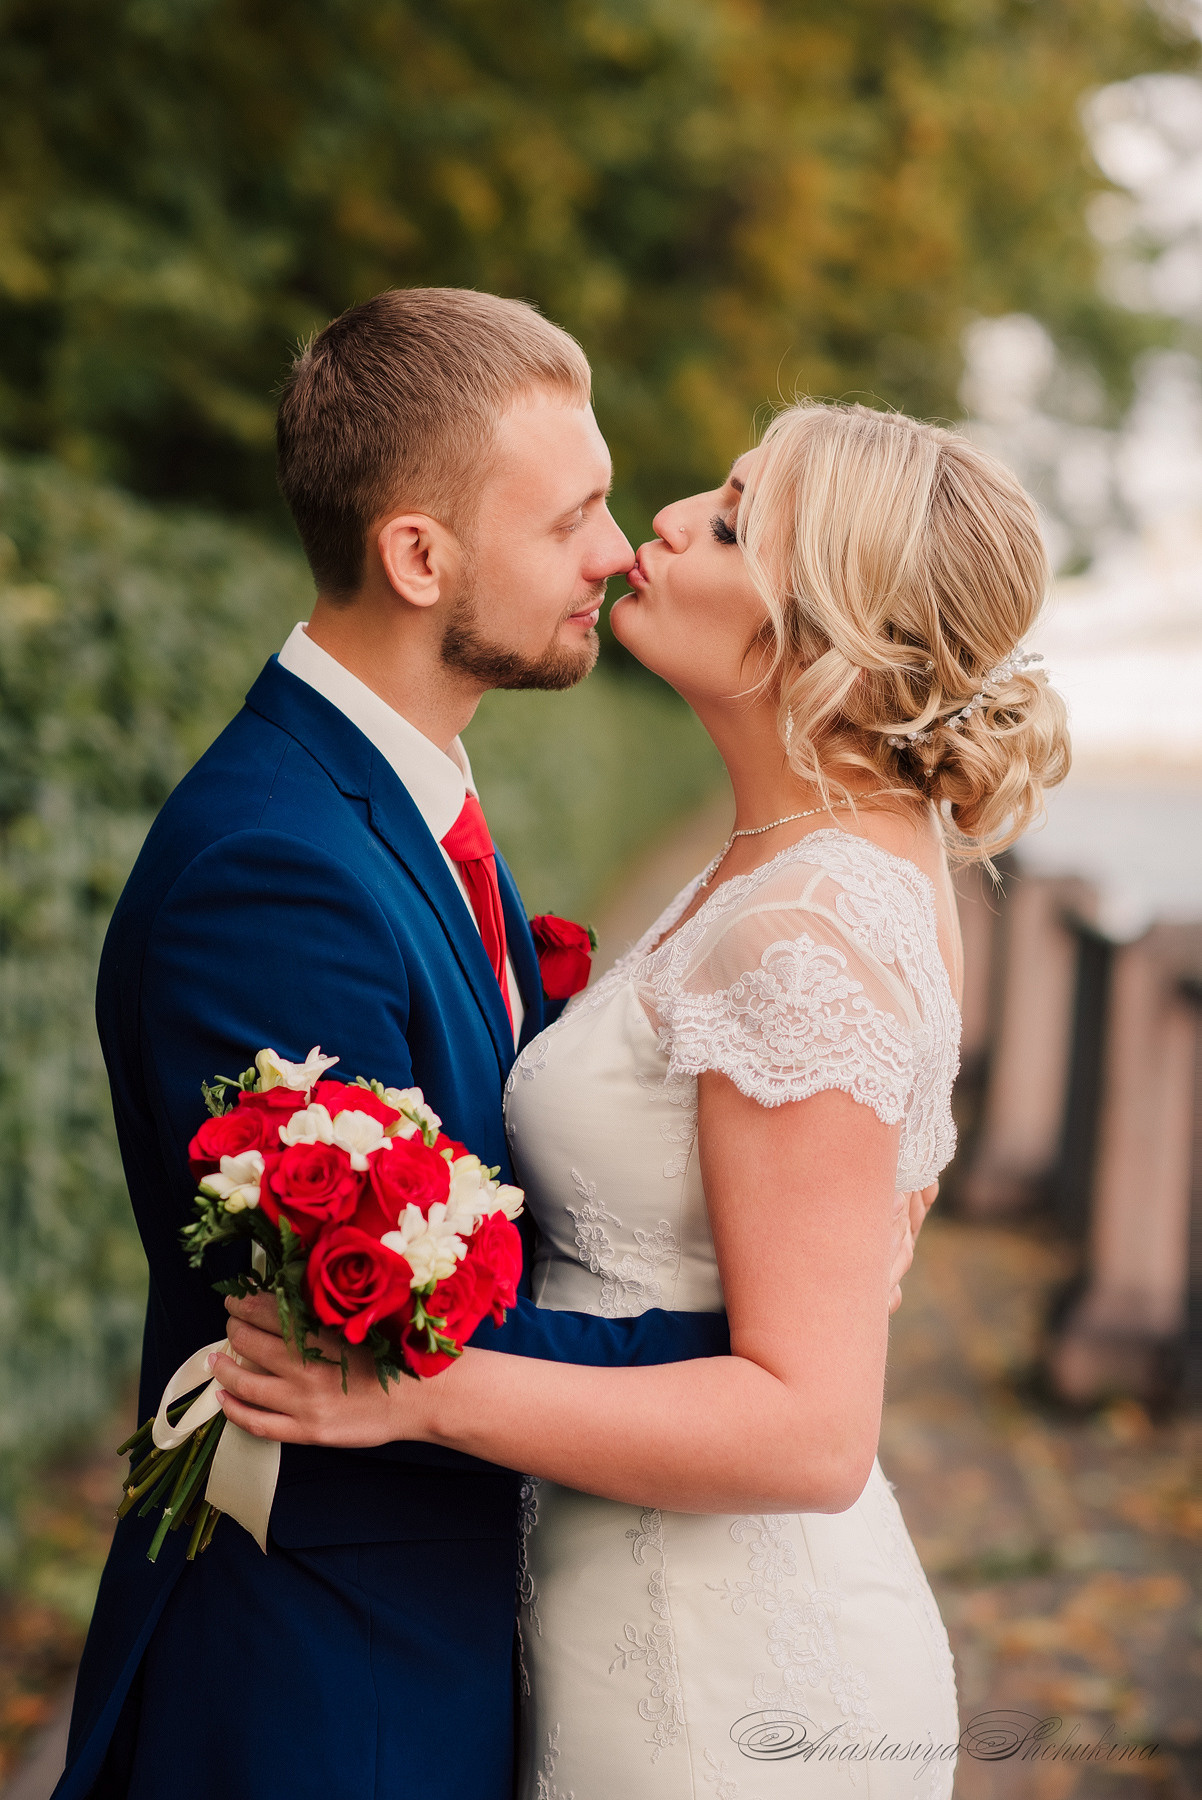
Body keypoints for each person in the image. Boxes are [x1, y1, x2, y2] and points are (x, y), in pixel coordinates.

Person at [215, 399, 1071, 1798]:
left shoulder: (807, 928)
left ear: (827, 634)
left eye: (731, 523)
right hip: (636, 1605)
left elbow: (809, 1429)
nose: (664, 523)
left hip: (717, 1677)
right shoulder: (809, 858)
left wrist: (412, 1392)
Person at [57, 289, 798, 1800]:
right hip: (327, 1690)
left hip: (434, 1643)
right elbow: (367, 1333)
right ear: (418, 557)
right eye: (572, 515)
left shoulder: (407, 799)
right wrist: (762, 1381)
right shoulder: (268, 871)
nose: (612, 551)